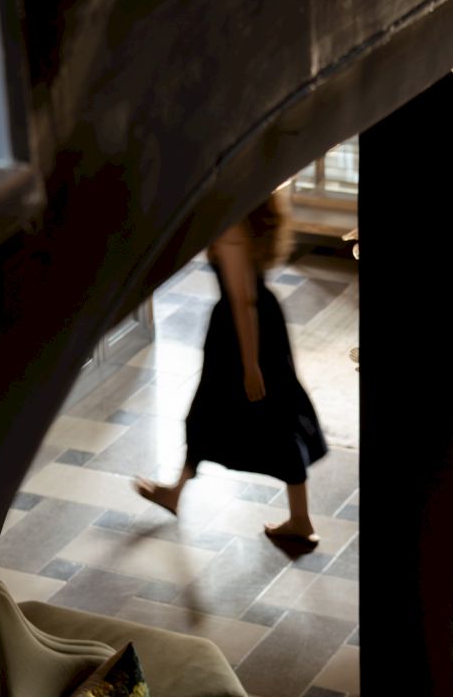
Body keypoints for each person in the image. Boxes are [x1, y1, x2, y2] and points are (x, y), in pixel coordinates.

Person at [135, 193, 328, 550]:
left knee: (264, 419)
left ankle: (300, 520)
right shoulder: (246, 214)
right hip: (251, 327)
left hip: (240, 335)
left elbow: (244, 301)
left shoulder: (233, 225)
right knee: (225, 414)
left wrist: (251, 365)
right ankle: (176, 493)